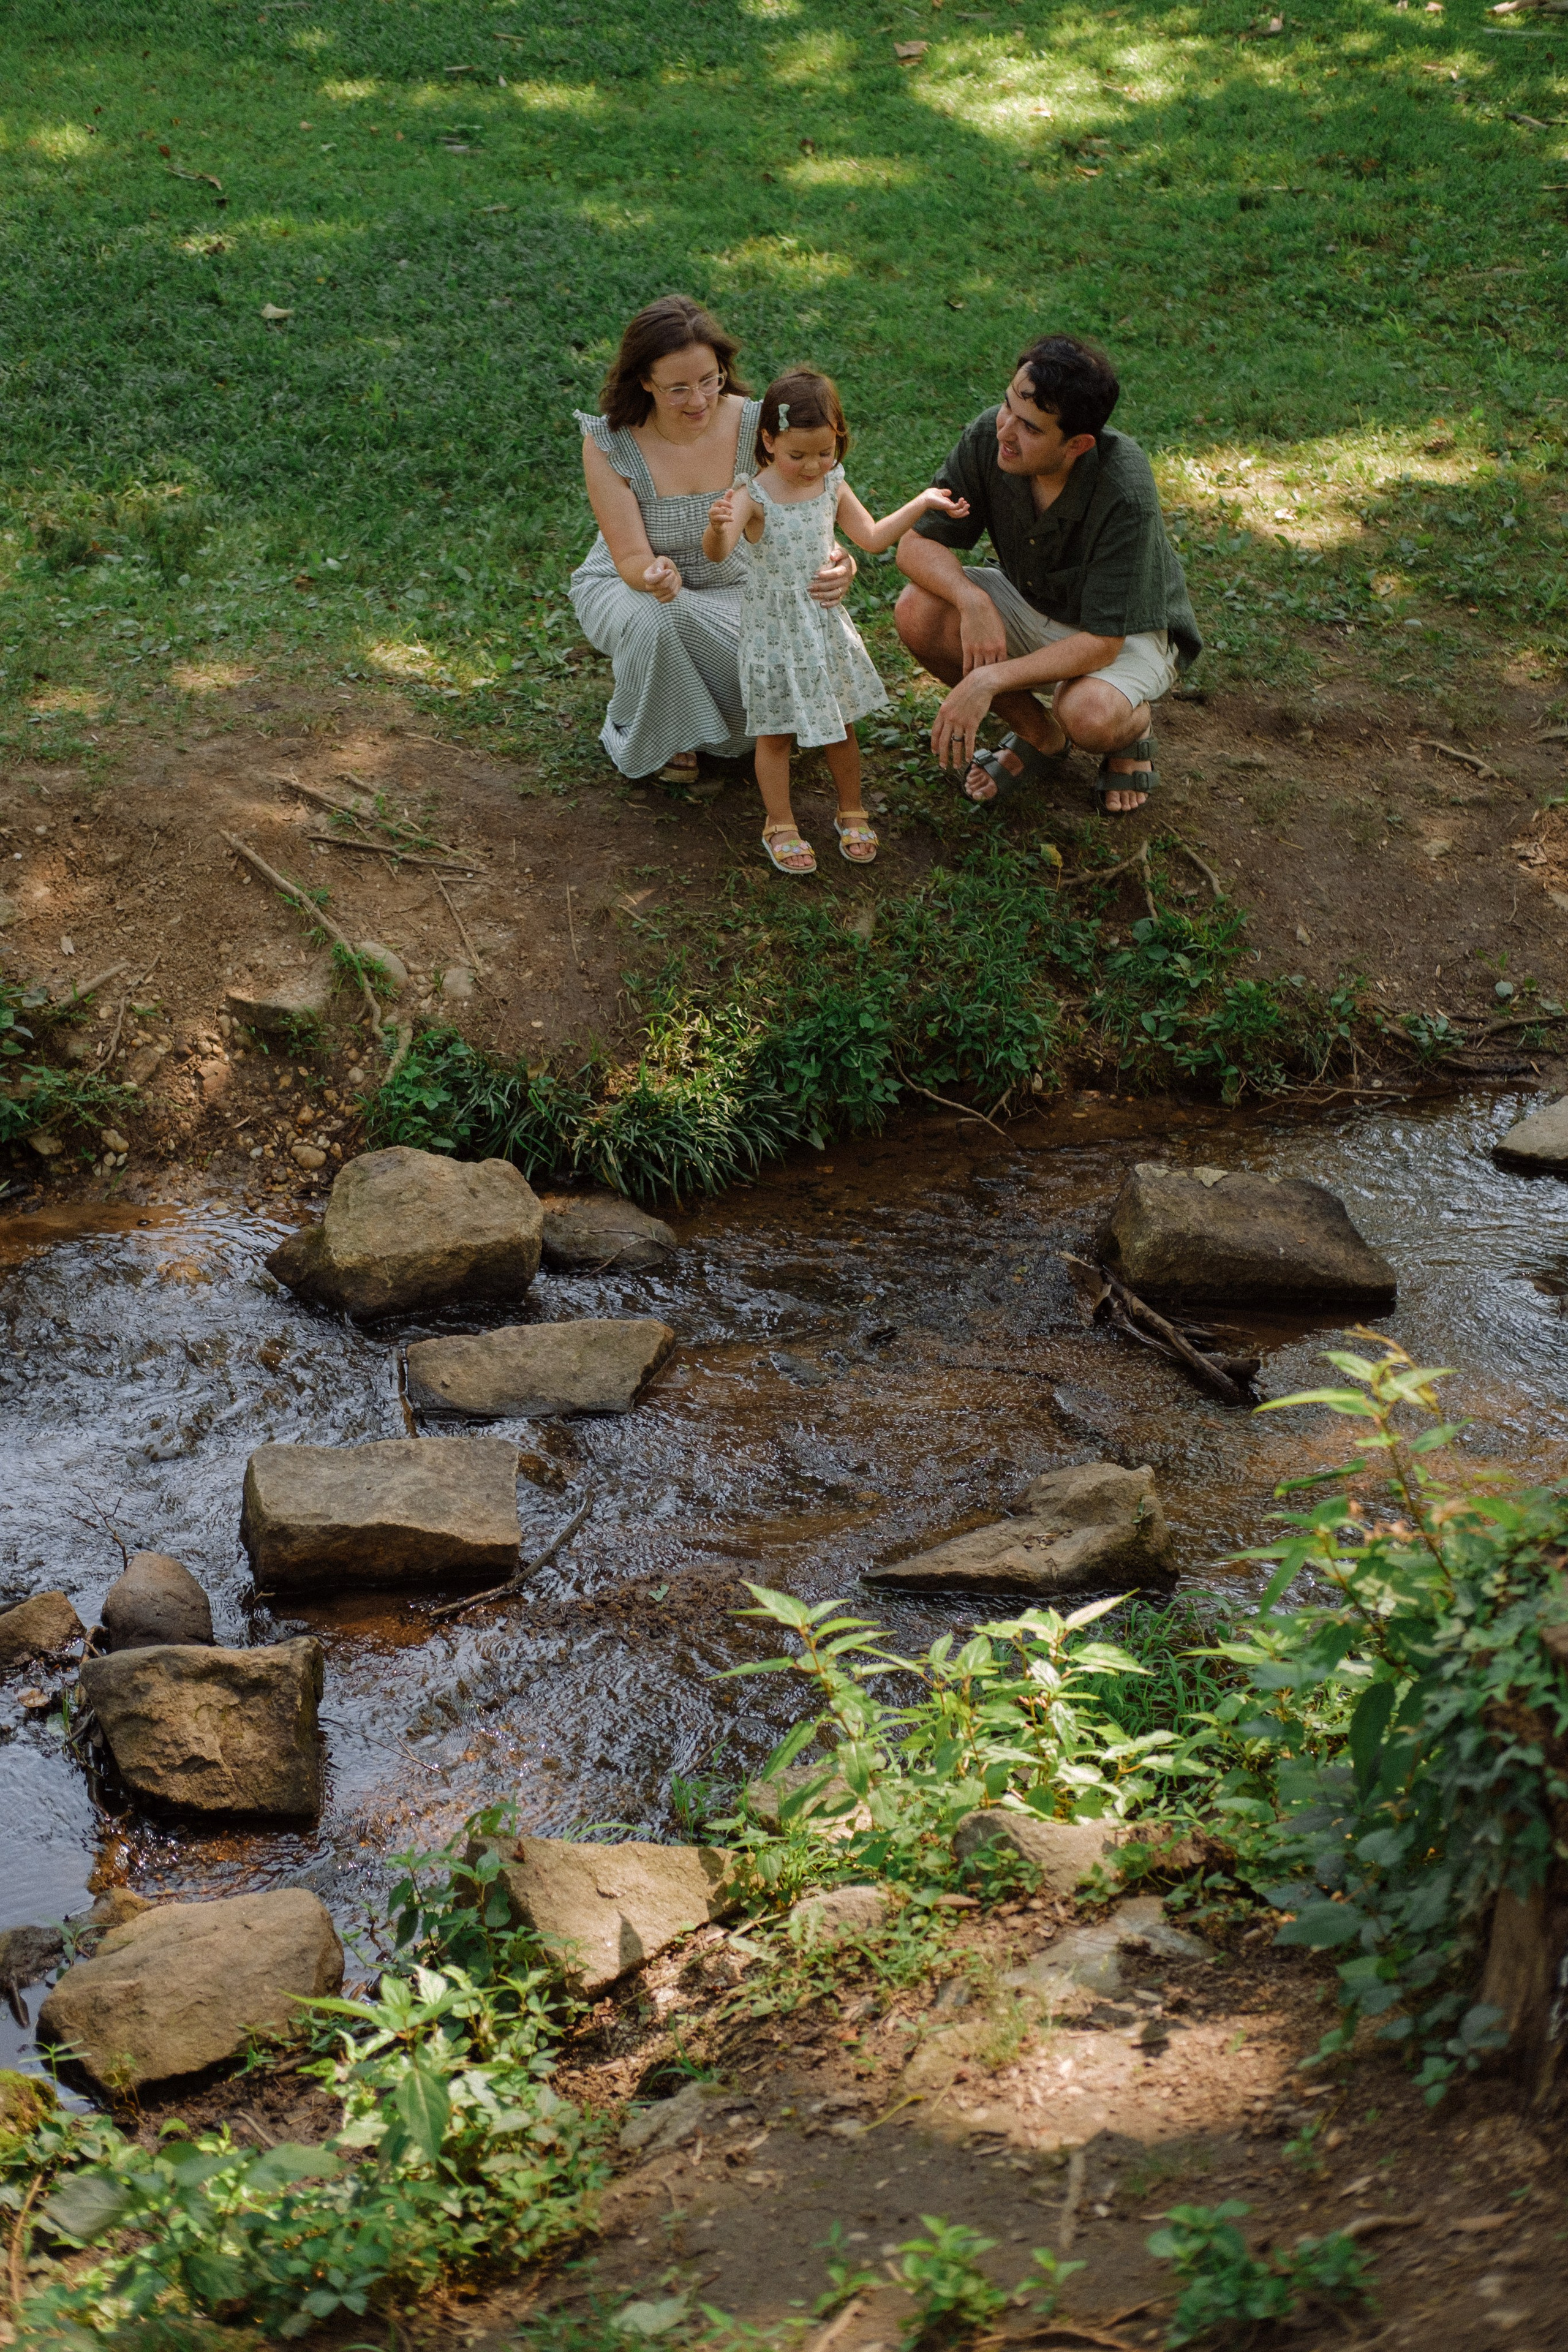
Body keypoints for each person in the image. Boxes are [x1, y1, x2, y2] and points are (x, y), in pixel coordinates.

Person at [894, 334, 1202, 816]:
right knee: (918, 610)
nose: (1005, 430)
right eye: (1007, 406)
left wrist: (987, 680)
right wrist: (973, 602)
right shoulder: (990, 436)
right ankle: (1041, 737)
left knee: (1089, 715)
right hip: (1035, 603)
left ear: (1077, 445)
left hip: (1127, 631)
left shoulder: (1124, 487)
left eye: (1031, 428)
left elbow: (1103, 643)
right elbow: (915, 545)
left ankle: (1133, 729)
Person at [570, 295, 857, 788]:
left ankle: (706, 723)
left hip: (740, 587)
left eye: (709, 380)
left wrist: (840, 560)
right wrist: (652, 575)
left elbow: (809, 509)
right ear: (644, 381)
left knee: (782, 670)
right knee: (662, 618)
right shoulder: (609, 443)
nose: (699, 400)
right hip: (632, 587)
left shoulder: (760, 426)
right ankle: (667, 735)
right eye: (678, 389)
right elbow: (631, 557)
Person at [703, 369, 970, 875]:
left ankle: (851, 808)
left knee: (841, 724)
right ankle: (780, 823)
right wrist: (716, 529)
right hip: (776, 633)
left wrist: (923, 501)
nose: (812, 466)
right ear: (768, 441)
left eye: (825, 452)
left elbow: (871, 537)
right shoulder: (751, 497)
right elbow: (717, 554)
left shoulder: (832, 484)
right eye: (797, 455)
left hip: (822, 627)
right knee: (776, 734)